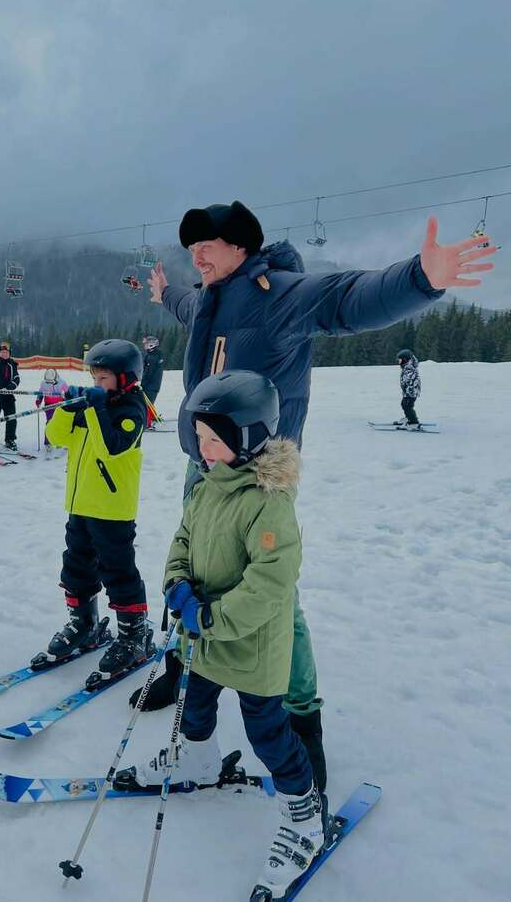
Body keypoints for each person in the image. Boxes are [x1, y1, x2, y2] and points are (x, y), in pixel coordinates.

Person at [141, 199, 497, 789]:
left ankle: (302, 716)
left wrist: (420, 278)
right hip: (202, 464)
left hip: (259, 474)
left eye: (208, 244)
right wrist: (163, 293)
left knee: (276, 598)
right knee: (197, 570)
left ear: (242, 247)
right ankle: (190, 663)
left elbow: (345, 301)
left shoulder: (277, 291)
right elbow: (187, 306)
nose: (197, 255)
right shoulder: (209, 293)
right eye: (191, 248)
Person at [119, 371, 324, 900]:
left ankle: (304, 814)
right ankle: (198, 758)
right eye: (200, 437)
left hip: (250, 645)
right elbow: (182, 541)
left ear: (251, 437)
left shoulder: (268, 502)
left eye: (215, 439)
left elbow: (270, 583)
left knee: (268, 734)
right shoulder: (207, 488)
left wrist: (211, 617)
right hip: (201, 639)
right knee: (196, 705)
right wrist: (177, 585)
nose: (204, 449)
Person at [44, 339, 151, 678]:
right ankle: (84, 624)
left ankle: (134, 634)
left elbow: (112, 447)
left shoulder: (133, 408)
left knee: (118, 571)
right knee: (76, 566)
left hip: (112, 508)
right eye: (94, 378)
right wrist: (65, 408)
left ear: (125, 378)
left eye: (103, 379)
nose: (97, 385)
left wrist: (96, 408)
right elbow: (56, 436)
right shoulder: (93, 404)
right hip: (80, 504)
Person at [35, 368, 69, 455]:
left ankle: (60, 440)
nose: (49, 383)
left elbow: (68, 392)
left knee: (61, 423)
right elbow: (40, 392)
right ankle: (48, 442)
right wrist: (39, 400)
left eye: (51, 382)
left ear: (56, 379)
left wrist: (68, 400)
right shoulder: (43, 383)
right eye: (48, 382)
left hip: (59, 405)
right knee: (49, 423)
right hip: (49, 405)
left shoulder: (62, 382)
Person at [141, 335, 164, 427]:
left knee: (147, 403)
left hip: (151, 385)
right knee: (149, 402)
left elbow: (148, 373)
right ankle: (153, 417)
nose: (144, 345)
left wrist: (142, 384)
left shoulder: (152, 358)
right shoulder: (155, 354)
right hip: (154, 384)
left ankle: (147, 423)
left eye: (146, 344)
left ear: (151, 345)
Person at [396, 349, 421, 427]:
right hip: (408, 392)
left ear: (405, 360)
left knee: (407, 406)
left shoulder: (409, 368)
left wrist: (409, 390)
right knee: (405, 405)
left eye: (400, 361)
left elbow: (411, 381)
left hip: (411, 392)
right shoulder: (407, 367)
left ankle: (414, 422)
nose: (399, 363)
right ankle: (408, 417)